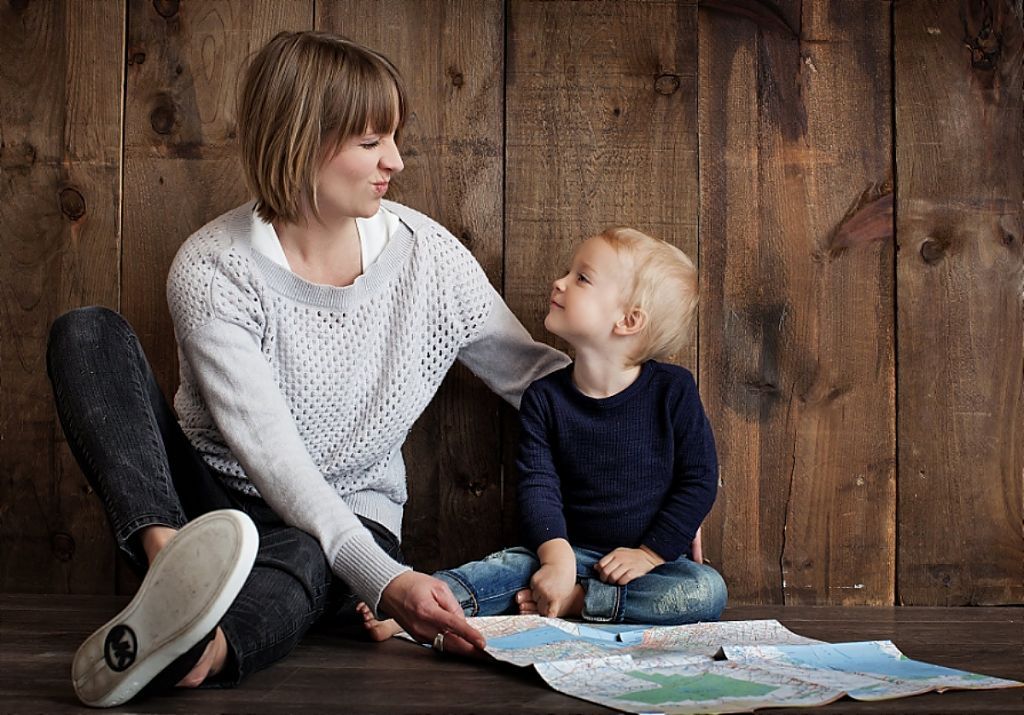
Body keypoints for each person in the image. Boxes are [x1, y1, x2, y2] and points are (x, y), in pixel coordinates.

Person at [46, 30, 568, 708]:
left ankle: (200, 648)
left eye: (392, 138)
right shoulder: (212, 268)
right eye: (371, 141)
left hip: (346, 519)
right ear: (302, 139)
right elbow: (274, 457)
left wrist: (656, 458)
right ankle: (172, 568)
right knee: (86, 332)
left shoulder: (428, 260)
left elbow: (537, 378)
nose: (396, 162)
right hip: (209, 505)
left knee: (304, 552)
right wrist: (390, 583)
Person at [361, 227, 726, 641]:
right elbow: (539, 485)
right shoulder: (545, 398)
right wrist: (555, 559)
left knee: (706, 591)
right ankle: (416, 609)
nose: (560, 282)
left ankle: (578, 603)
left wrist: (651, 553)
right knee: (502, 569)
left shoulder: (672, 391)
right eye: (568, 272)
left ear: (628, 320)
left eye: (582, 278)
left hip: (647, 566)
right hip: (566, 550)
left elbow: (698, 479)